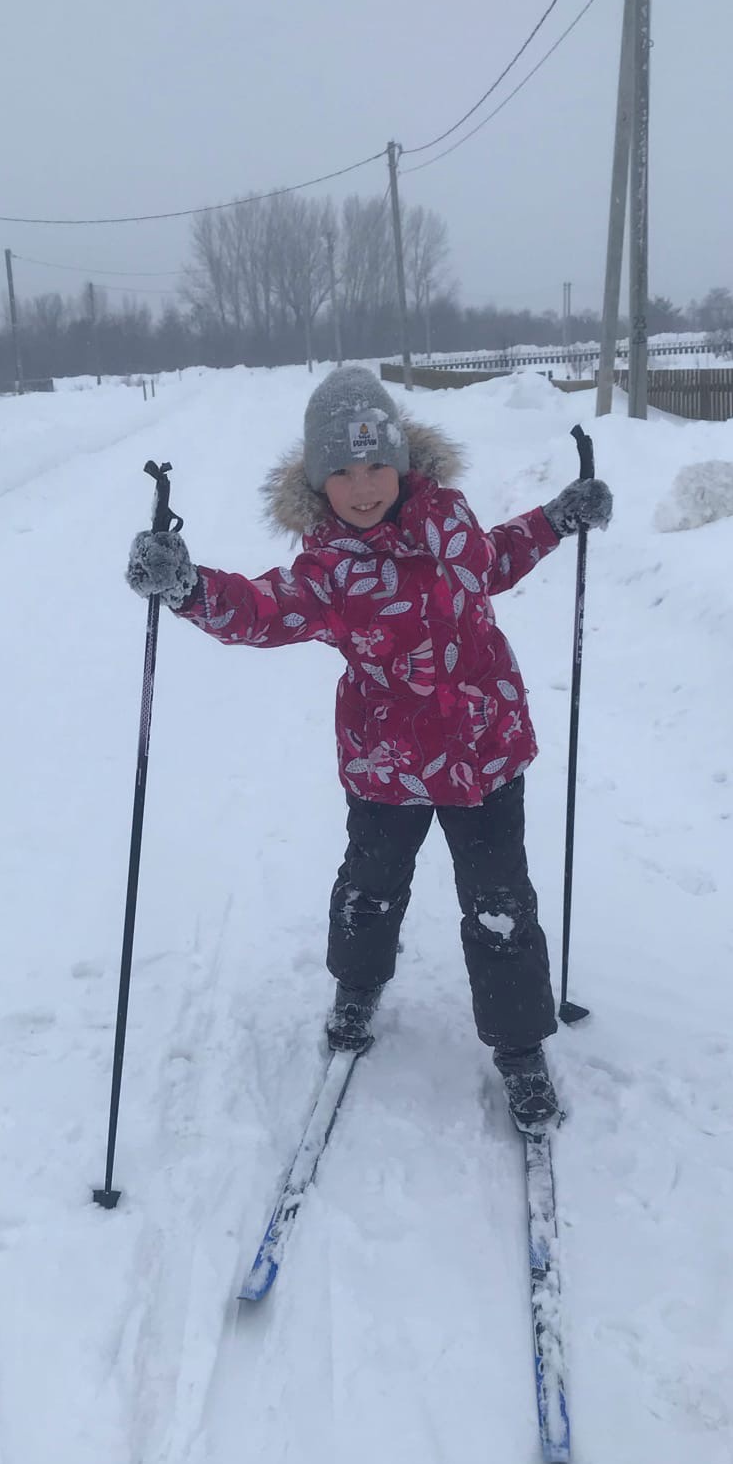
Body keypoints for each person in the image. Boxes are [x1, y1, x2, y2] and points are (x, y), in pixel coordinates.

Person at [125, 366, 612, 1129]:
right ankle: (357, 985)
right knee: (369, 888)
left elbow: (494, 560)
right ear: (319, 482)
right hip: (388, 762)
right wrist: (188, 588)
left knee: (501, 905)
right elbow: (263, 609)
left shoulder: (450, 520)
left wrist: (557, 518)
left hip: (484, 753)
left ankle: (520, 1048)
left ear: (403, 461)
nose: (362, 486)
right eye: (342, 472)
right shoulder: (327, 568)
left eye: (376, 465)